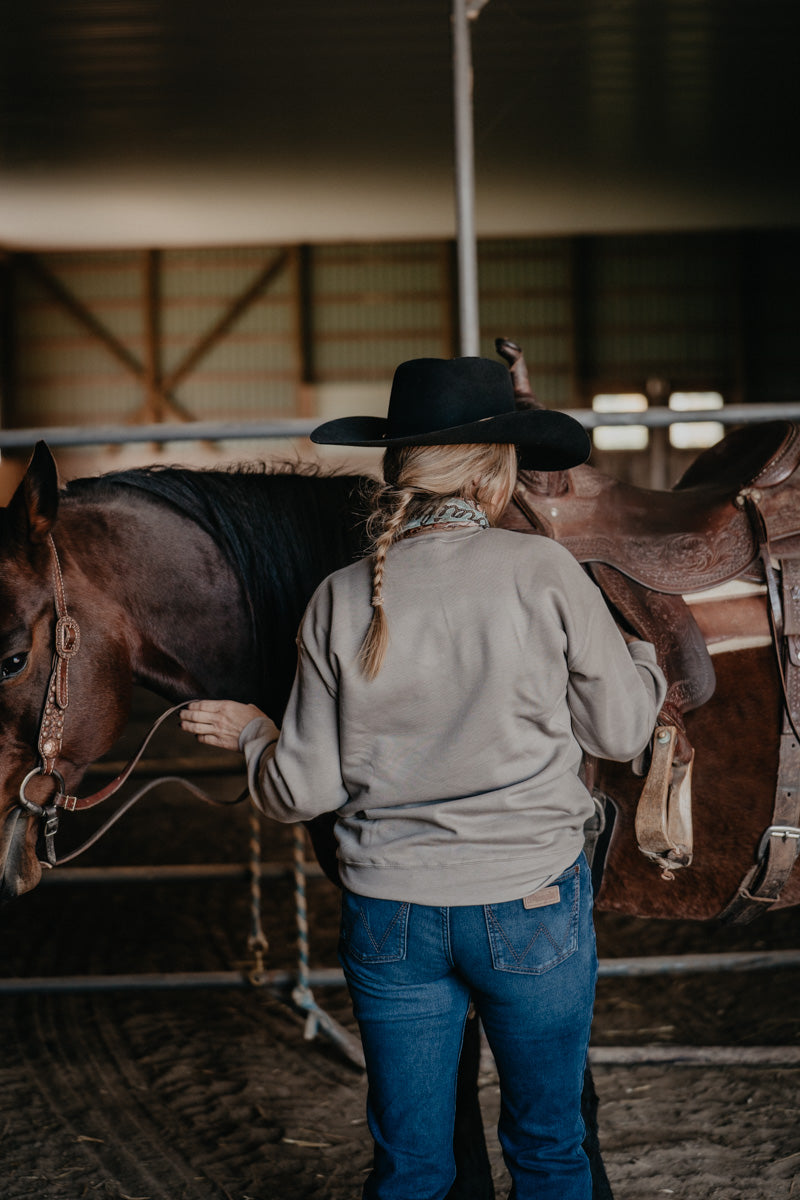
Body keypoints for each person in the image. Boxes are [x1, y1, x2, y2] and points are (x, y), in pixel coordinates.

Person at [180, 356, 667, 1200]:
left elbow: (302, 792)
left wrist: (258, 733)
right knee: (550, 1149)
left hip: (391, 916)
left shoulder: (338, 596)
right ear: (493, 471)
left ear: (396, 468)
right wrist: (640, 657)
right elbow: (621, 732)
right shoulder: (544, 573)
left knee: (410, 1166)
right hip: (529, 906)